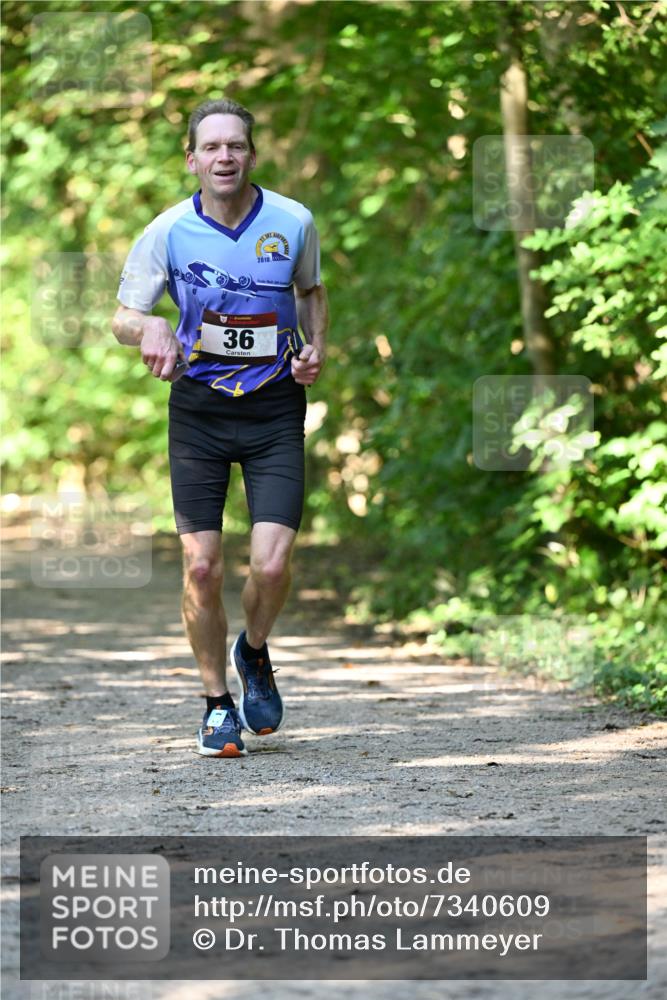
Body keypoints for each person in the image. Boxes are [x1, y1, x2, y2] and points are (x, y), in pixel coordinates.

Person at [112, 98, 328, 758]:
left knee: (271, 562)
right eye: (211, 147)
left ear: (251, 155)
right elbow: (123, 316)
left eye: (236, 145)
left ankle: (253, 651)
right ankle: (214, 704)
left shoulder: (292, 221)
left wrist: (315, 347)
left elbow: (310, 290)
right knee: (202, 568)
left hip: (272, 411)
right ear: (192, 159)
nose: (224, 157)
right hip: (200, 412)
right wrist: (149, 326)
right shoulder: (168, 231)